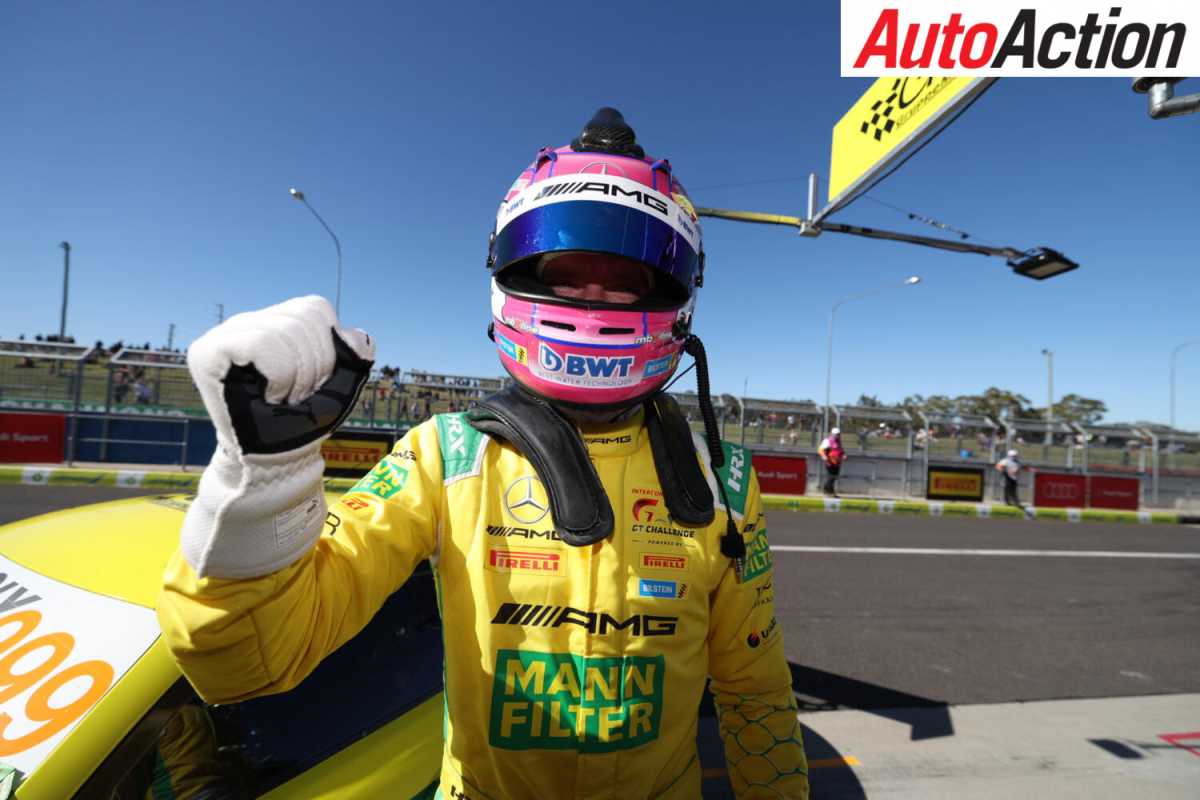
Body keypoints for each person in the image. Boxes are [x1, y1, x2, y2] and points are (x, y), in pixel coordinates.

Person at [157, 108, 809, 799]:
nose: (593, 298)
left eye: (625, 279)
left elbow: (754, 689)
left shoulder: (724, 482)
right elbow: (245, 667)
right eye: (564, 272)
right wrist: (259, 482)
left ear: (677, 292)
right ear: (512, 271)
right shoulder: (445, 455)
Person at [818, 427, 846, 496]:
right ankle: (827, 490)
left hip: (837, 462)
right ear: (832, 434)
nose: (838, 435)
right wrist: (824, 456)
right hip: (830, 461)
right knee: (831, 477)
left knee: (834, 477)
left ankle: (830, 491)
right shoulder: (827, 441)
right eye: (836, 434)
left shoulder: (838, 441)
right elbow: (820, 449)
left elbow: (840, 451)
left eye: (838, 434)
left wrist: (843, 455)